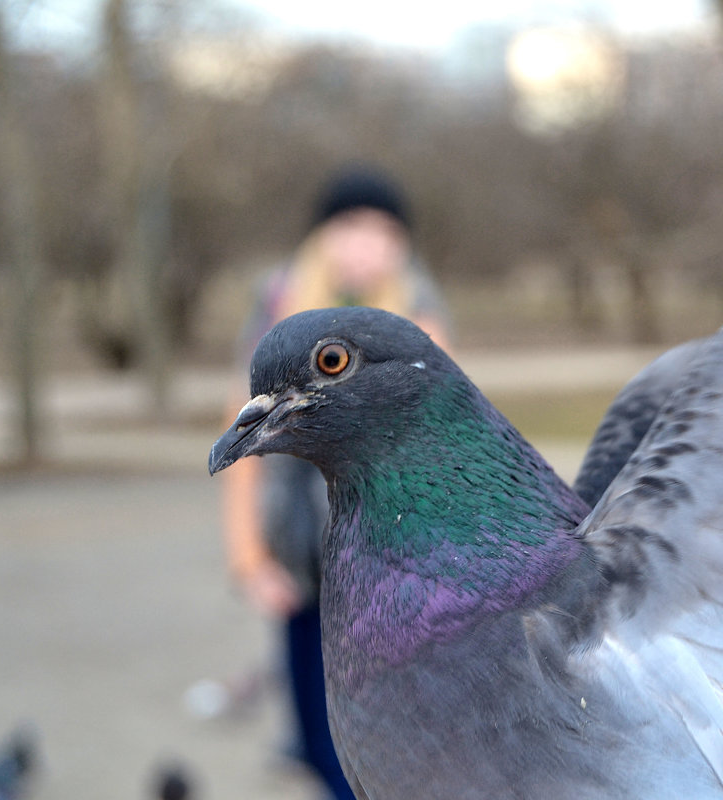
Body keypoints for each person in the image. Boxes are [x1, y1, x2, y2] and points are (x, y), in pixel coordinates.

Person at [220, 165, 449, 800]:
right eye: (350, 226)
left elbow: (448, 440)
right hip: (304, 575)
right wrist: (249, 560)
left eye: (383, 229)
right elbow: (239, 440)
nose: (366, 243)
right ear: (322, 234)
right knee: (320, 746)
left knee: (391, 751)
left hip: (395, 581)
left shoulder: (423, 313)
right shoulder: (276, 306)